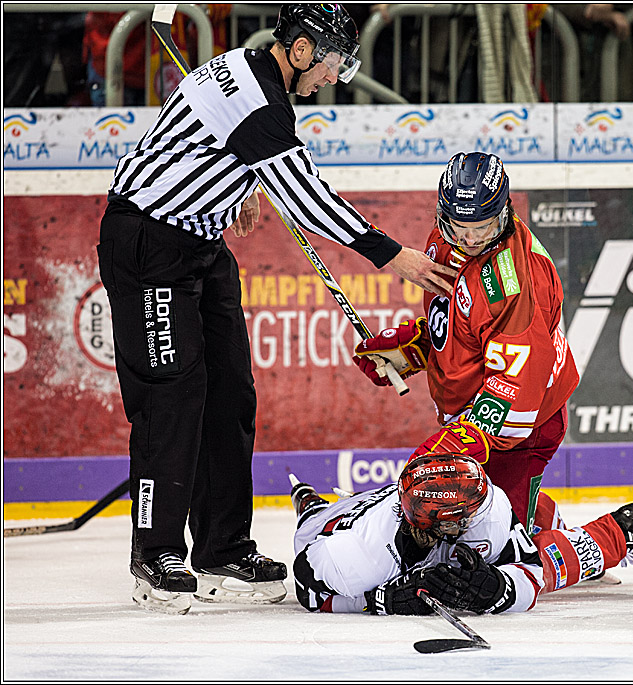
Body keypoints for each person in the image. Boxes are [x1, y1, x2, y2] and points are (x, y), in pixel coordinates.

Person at [98, 3, 456, 615]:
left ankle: (221, 546)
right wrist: (390, 254)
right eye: (330, 65)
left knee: (232, 394)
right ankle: (155, 551)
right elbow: (309, 198)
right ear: (298, 51)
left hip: (201, 246)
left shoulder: (245, 71)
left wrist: (237, 182)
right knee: (173, 398)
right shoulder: (262, 104)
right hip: (150, 247)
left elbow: (194, 136)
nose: (330, 79)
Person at [351, 151, 577, 535]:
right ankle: (551, 529)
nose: (469, 239)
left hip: (523, 423)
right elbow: (463, 325)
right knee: (483, 524)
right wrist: (413, 347)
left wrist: (459, 440)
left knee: (498, 544)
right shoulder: (443, 238)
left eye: (483, 228)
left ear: (504, 212)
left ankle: (600, 544)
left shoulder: (514, 283)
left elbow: (517, 383)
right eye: (459, 226)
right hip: (476, 409)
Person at [289, 452, 633, 614]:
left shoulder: (484, 508)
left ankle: (616, 532)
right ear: (426, 524)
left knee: (530, 541)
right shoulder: (359, 556)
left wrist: (500, 589)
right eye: (459, 519)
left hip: (400, 521)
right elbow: (308, 591)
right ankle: (616, 532)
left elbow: (529, 571)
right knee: (528, 542)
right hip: (326, 527)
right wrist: (379, 603)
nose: (475, 520)